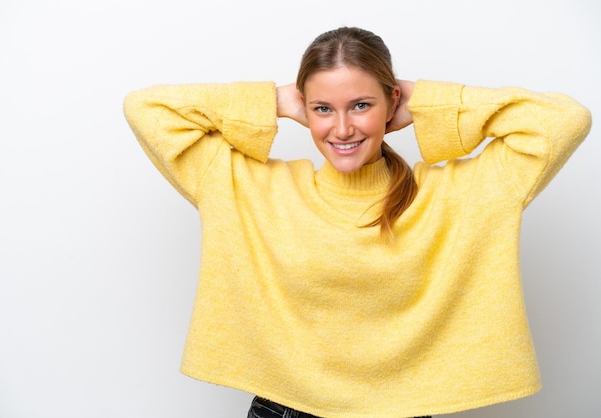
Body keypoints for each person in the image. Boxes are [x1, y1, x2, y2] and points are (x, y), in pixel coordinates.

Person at [123, 26, 591, 418]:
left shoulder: (459, 195)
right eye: (323, 109)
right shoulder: (249, 188)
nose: (342, 129)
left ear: (393, 102)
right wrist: (278, 101)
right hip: (285, 409)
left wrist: (425, 103)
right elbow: (146, 109)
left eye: (361, 106)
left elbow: (564, 120)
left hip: (406, 410)